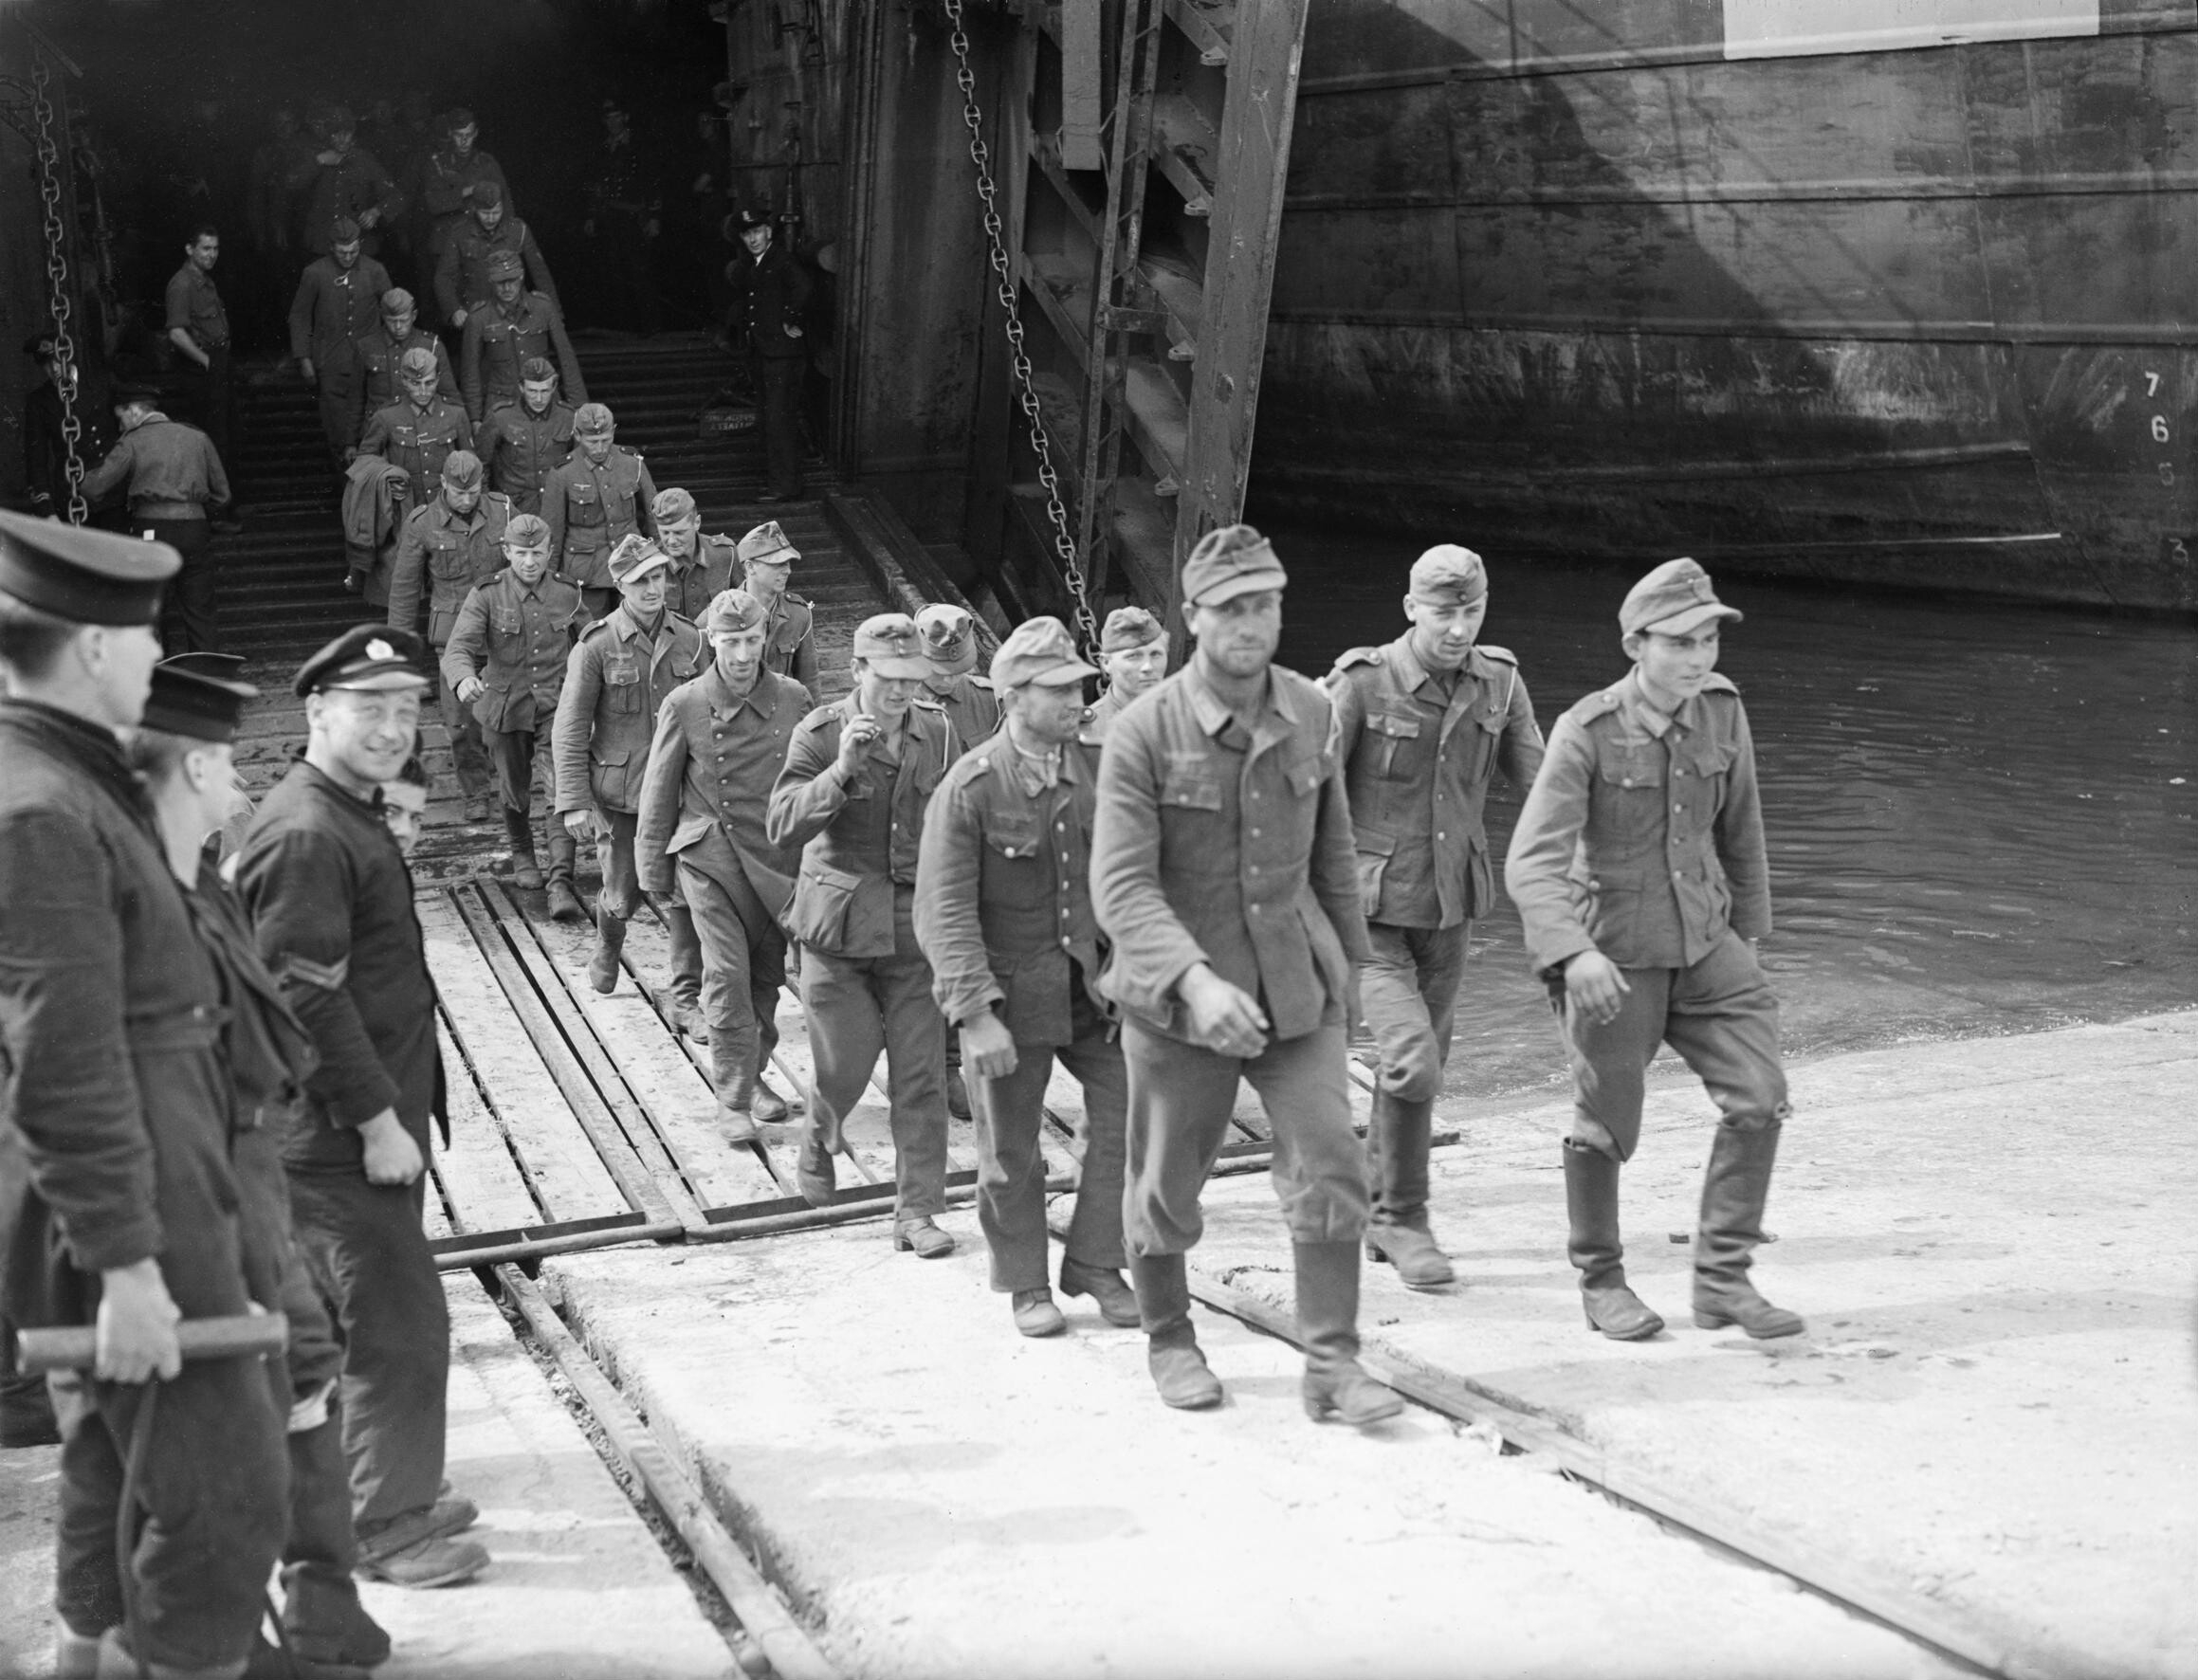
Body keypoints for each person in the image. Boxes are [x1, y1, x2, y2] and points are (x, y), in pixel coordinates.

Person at [0, 508, 288, 1679]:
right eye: (147, 638)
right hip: (140, 1210)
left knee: (115, 1471)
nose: (157, 659)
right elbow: (62, 1057)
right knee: (225, 1498)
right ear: (92, 647)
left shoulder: (70, 785)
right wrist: (124, 1262)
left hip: (155, 1183)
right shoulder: (40, 809)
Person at [1090, 523, 1399, 1426]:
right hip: (1177, 1002)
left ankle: (1332, 1366)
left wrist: (1354, 975)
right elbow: (1122, 884)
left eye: (1265, 604)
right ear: (1193, 617)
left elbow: (1332, 855)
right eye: (1230, 608)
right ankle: (1170, 1337)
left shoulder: (1311, 708)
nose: (1250, 623)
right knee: (1165, 1180)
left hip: (1295, 988)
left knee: (1332, 1159)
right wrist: (1192, 982)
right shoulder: (1143, 729)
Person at [127, 658, 393, 1675]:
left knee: (305, 1367)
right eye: (222, 766)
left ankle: (317, 1602)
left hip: (244, 1173)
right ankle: (202, 1643)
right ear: (180, 771)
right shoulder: (134, 897)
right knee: (205, 1430)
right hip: (188, 1193)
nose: (241, 788)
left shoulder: (200, 881)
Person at [237, 625, 489, 1590]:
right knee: (396, 1327)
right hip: (340, 1131)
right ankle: (388, 1523)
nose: (391, 727)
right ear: (314, 713)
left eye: (403, 708)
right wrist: (380, 1121)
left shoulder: (344, 806)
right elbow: (305, 993)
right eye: (368, 709)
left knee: (359, 1323)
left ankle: (387, 1485)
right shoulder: (307, 829)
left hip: (358, 1117)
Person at [1503, 558, 1804, 1344]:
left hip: (1707, 942)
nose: (1700, 656)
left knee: (1760, 1095)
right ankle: (1601, 1280)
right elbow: (1531, 862)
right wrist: (1571, 955)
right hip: (1611, 956)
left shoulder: (1723, 712)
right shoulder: (1587, 731)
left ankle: (1724, 1281)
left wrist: (1751, 946)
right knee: (1606, 1125)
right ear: (1637, 645)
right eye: (1681, 642)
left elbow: (1743, 830)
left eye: (1709, 639)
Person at [1326, 544, 1545, 1289]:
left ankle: (1384, 1214)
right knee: (1411, 1059)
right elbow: (1305, 794)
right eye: (1444, 612)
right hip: (1369, 914)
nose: (1458, 628)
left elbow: (1541, 787)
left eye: (1471, 612)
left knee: (1419, 1072)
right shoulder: (1361, 682)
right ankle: (1402, 1216)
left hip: (1452, 908)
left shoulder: (1501, 680)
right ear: (1411, 607)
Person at [914, 617, 1138, 1339]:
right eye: (1060, 689)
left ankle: (1097, 1262)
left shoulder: (1098, 768)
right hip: (1008, 999)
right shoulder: (970, 788)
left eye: (1080, 687)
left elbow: (1133, 878)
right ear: (1012, 697)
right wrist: (973, 1016)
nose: (1079, 700)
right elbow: (943, 911)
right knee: (1010, 1152)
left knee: (1135, 1118)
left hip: (1093, 991)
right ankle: (1026, 1283)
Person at [766, 612, 960, 1257]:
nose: (902, 690)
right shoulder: (820, 733)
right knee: (845, 1066)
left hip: (912, 933)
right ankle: (821, 1135)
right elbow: (783, 825)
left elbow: (954, 825)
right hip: (838, 932)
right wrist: (843, 769)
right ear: (857, 671)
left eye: (912, 677)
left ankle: (918, 1212)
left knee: (921, 1076)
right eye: (889, 678)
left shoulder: (937, 731)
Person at [636, 587, 810, 1136]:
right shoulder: (686, 704)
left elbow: (813, 780)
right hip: (710, 858)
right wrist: (651, 871)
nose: (741, 654)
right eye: (730, 641)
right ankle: (732, 1102)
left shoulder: (795, 698)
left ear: (766, 639)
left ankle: (752, 1076)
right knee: (727, 974)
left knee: (764, 979)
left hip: (777, 859)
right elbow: (658, 790)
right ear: (711, 639)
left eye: (752, 640)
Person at [551, 537, 707, 1031]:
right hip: (622, 795)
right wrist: (574, 800)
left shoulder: (691, 639)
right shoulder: (596, 646)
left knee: (688, 892)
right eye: (641, 580)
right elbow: (571, 725)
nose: (653, 588)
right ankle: (607, 942)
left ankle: (684, 999)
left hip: (683, 792)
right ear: (620, 586)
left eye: (659, 577)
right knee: (623, 892)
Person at [443, 512, 590, 920]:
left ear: (549, 552)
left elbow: (592, 643)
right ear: (507, 552)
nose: (530, 562)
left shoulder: (567, 593)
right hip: (505, 709)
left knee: (561, 789)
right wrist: (463, 679)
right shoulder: (486, 595)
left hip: (557, 708)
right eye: (521, 553)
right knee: (513, 788)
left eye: (537, 553)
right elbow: (457, 649)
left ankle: (561, 881)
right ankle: (523, 853)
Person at [387, 449, 510, 821]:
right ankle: (476, 791)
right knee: (460, 719)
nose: (467, 499)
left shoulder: (504, 511)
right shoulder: (423, 523)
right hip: (453, 634)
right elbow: (405, 588)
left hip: (500, 627)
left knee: (506, 710)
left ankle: (509, 783)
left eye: (473, 492)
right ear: (442, 484)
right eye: (459, 493)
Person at [913, 600, 998, 1122]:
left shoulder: (989, 701)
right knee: (920, 964)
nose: (946, 678)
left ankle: (949, 1061)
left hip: (975, 850)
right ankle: (930, 1065)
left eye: (956, 667)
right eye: (937, 669)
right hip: (916, 852)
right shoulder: (899, 701)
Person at [78, 378, 232, 655]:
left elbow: (95, 487)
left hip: (152, 531)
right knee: (200, 609)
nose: (121, 425)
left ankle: (159, 676)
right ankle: (209, 677)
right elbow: (222, 495)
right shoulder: (197, 437)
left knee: (152, 609)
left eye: (121, 417)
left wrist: (77, 479)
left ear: (134, 411)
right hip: (195, 529)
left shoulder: (133, 441)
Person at [288, 218, 394, 466]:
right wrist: (303, 357)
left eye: (354, 251)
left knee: (372, 428)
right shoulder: (315, 273)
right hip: (332, 363)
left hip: (370, 364)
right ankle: (344, 493)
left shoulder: (375, 270)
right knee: (338, 431)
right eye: (342, 252)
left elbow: (392, 310)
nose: (348, 257)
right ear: (331, 247)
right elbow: (300, 316)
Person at [722, 209, 812, 502]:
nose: (753, 239)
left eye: (757, 232)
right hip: (766, 353)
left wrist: (790, 320)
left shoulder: (781, 260)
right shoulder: (757, 263)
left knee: (778, 420)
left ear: (769, 233)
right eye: (747, 234)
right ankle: (781, 483)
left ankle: (785, 486)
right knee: (771, 419)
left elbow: (804, 288)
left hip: (782, 356)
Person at [544, 403, 655, 620]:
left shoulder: (632, 463)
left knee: (636, 628)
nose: (600, 448)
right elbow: (552, 533)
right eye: (592, 442)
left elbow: (655, 517)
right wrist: (548, 579)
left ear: (613, 431)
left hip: (631, 565)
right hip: (587, 574)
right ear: (577, 435)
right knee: (593, 633)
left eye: (606, 440)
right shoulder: (563, 473)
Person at [460, 250, 586, 426]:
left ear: (521, 277)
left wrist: (579, 406)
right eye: (500, 283)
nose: (506, 288)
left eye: (511, 280)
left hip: (545, 403)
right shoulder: (479, 317)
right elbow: (470, 372)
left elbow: (567, 359)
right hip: (502, 406)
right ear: (490, 281)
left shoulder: (543, 307)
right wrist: (475, 418)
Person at [412, 110, 511, 320]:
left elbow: (506, 204)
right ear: (450, 133)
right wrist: (467, 191)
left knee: (482, 305)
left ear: (476, 133)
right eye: (459, 134)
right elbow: (433, 203)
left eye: (468, 134)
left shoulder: (487, 163)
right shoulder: (437, 163)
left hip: (481, 244)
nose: (464, 140)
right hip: (445, 243)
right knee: (445, 307)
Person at [163, 224, 238, 492]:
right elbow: (177, 334)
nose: (212, 254)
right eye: (206, 248)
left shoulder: (204, 280)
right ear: (189, 249)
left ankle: (226, 502)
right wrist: (207, 362)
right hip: (202, 369)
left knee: (227, 435)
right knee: (214, 439)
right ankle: (218, 509)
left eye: (215, 248)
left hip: (217, 360)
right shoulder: (182, 284)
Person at [357, 346, 473, 509]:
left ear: (438, 379)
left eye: (429, 383)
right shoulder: (387, 416)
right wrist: (386, 481)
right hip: (405, 508)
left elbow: (472, 466)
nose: (423, 391)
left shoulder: (455, 414)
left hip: (448, 508)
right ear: (403, 381)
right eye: (415, 383)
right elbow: (364, 462)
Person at [20, 332, 117, 522]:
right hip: (71, 498)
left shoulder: (100, 386)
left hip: (111, 496)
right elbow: (36, 460)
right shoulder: (39, 401)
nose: (54, 368)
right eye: (46, 364)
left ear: (68, 355)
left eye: (57, 360)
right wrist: (46, 510)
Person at [435, 182, 559, 331]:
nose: (491, 218)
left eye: (496, 212)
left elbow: (540, 273)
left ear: (503, 207)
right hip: (476, 314)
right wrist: (454, 309)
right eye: (485, 213)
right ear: (474, 208)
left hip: (516, 314)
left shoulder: (518, 230)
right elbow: (444, 277)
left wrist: (555, 314)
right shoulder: (459, 233)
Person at [586, 99, 661, 336]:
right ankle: (624, 328)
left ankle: (650, 328)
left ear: (625, 118)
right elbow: (597, 185)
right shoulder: (604, 149)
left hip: (634, 216)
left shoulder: (639, 146)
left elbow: (652, 181)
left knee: (640, 271)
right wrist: (592, 215)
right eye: (609, 118)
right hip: (611, 217)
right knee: (616, 271)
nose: (613, 122)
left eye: (617, 116)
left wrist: (654, 216)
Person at [352, 287, 459, 447]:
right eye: (391, 321)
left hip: (420, 433)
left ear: (414, 316)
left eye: (403, 320)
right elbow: (355, 398)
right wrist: (350, 442)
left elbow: (449, 396)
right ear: (382, 317)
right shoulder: (366, 347)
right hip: (378, 434)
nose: (398, 327)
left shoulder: (431, 346)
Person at [294, 106, 402, 259]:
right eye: (336, 134)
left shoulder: (365, 161)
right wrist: (318, 161)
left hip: (357, 246)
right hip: (322, 245)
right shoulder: (315, 156)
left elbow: (396, 197)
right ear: (328, 135)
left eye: (347, 133)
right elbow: (293, 183)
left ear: (353, 134)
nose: (342, 139)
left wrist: (376, 211)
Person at [474, 356, 575, 517]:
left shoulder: (567, 417)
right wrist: (488, 506)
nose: (539, 398)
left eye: (544, 391)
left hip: (557, 508)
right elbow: (480, 465)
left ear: (554, 387)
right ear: (521, 387)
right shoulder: (501, 417)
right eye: (532, 391)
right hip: (514, 509)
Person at [734, 520, 817, 687]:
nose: (787, 570)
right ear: (750, 567)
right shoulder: (720, 615)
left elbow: (809, 682)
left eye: (787, 563)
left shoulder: (798, 614)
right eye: (778, 564)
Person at [651, 487, 736, 622]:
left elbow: (742, 605)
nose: (671, 541)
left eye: (679, 533)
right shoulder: (651, 563)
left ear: (697, 523)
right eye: (665, 533)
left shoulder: (725, 554)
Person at [1083, 605, 1165, 742]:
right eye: (1134, 656)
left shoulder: (1187, 721)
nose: (1148, 666)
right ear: (1106, 663)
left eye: (1155, 654)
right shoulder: (1085, 732)